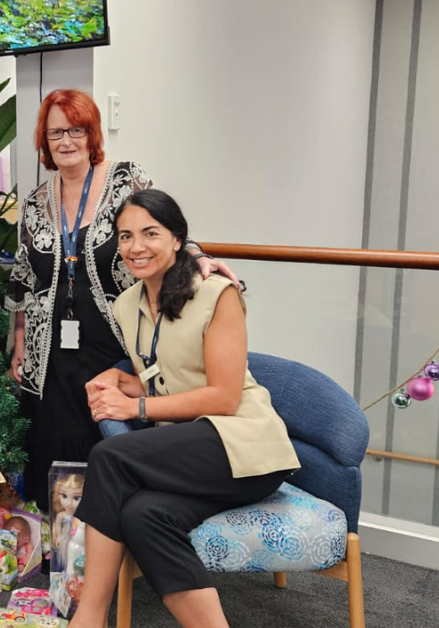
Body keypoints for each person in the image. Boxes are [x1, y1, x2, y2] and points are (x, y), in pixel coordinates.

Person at [71, 189, 301, 628]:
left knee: (109, 457)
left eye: (150, 233)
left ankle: (90, 618)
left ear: (178, 239)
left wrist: (135, 403)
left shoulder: (217, 293)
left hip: (245, 447)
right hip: (190, 450)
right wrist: (125, 380)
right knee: (143, 516)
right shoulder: (127, 305)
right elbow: (173, 377)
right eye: (125, 237)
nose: (136, 247)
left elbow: (223, 397)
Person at [7, 89, 237, 505]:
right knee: (50, 434)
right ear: (44, 139)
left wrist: (198, 255)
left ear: (92, 133)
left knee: (101, 430)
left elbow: (161, 230)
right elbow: (24, 275)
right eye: (56, 131)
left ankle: (105, 538)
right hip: (48, 345)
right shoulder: (36, 201)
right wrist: (20, 340)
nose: (66, 141)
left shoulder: (126, 179)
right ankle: (58, 547)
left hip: (115, 334)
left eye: (76, 130)